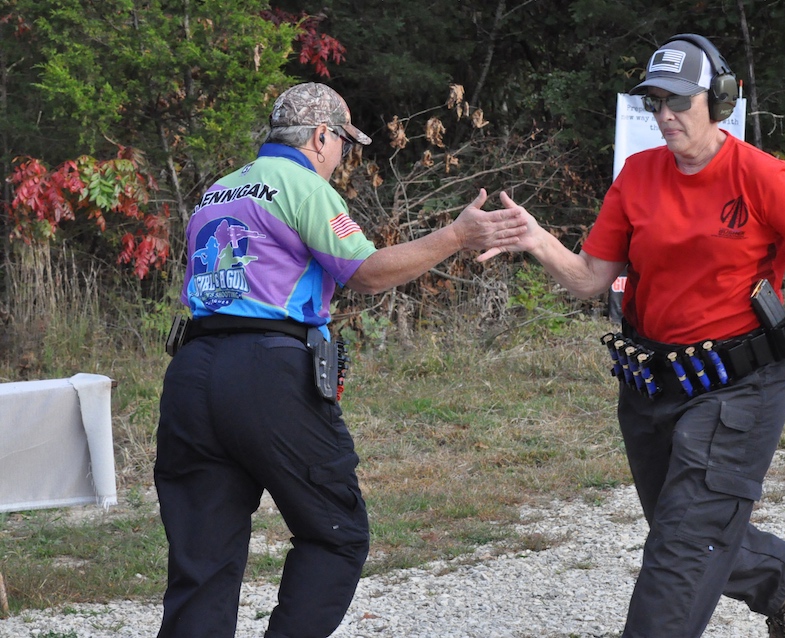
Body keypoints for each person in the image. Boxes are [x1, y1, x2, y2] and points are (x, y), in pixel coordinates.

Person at [482, 34, 785, 638]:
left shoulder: (762, 177)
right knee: (685, 530)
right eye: (655, 102)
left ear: (719, 100)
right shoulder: (638, 175)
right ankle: (782, 580)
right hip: (653, 384)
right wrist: (538, 240)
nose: (665, 115)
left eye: (679, 101)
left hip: (742, 386)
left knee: (679, 554)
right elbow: (592, 279)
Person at [153, 82, 525, 638]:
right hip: (267, 371)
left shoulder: (217, 192)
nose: (342, 157)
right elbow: (367, 272)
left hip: (191, 371)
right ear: (321, 136)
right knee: (336, 532)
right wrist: (456, 235)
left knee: (202, 559)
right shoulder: (303, 187)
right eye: (343, 144)